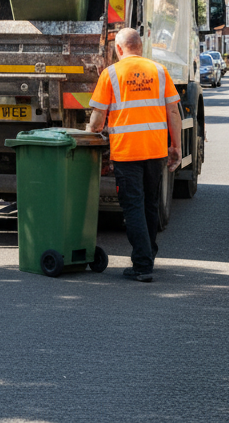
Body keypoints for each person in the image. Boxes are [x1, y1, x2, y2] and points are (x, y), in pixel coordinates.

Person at [86, 28, 183, 282]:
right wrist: (176, 147)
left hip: (127, 152)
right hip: (155, 151)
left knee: (133, 208)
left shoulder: (111, 74)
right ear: (140, 46)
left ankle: (142, 265)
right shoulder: (159, 71)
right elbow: (173, 113)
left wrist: (90, 134)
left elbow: (97, 121)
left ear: (119, 49)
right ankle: (148, 255)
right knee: (150, 204)